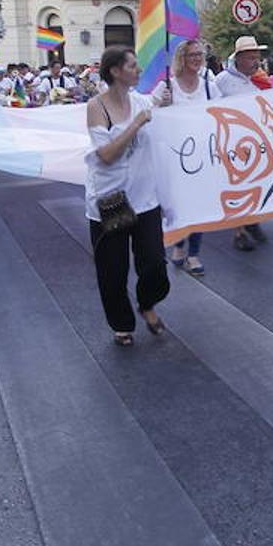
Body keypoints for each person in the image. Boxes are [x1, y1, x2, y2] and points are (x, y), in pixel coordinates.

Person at [84, 46, 170, 345]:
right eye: (132, 65)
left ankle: (147, 302)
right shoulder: (97, 107)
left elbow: (160, 107)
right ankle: (122, 324)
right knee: (114, 269)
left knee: (155, 262)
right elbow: (106, 154)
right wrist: (135, 124)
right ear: (115, 71)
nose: (139, 70)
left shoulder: (141, 100)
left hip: (145, 198)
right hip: (113, 200)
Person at [216, 36, 270, 250]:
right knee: (238, 188)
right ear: (238, 59)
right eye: (250, 58)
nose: (255, 62)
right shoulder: (222, 80)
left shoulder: (256, 81)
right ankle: (239, 232)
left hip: (254, 145)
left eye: (257, 58)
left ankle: (252, 221)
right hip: (232, 145)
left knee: (255, 185)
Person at [167, 39, 214, 276]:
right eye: (192, 54)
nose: (197, 58)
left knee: (198, 206)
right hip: (176, 157)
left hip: (203, 156)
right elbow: (150, 113)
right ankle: (178, 244)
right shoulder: (169, 86)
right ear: (181, 58)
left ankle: (193, 253)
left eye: (200, 54)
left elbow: (221, 114)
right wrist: (162, 105)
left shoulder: (209, 86)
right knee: (179, 205)